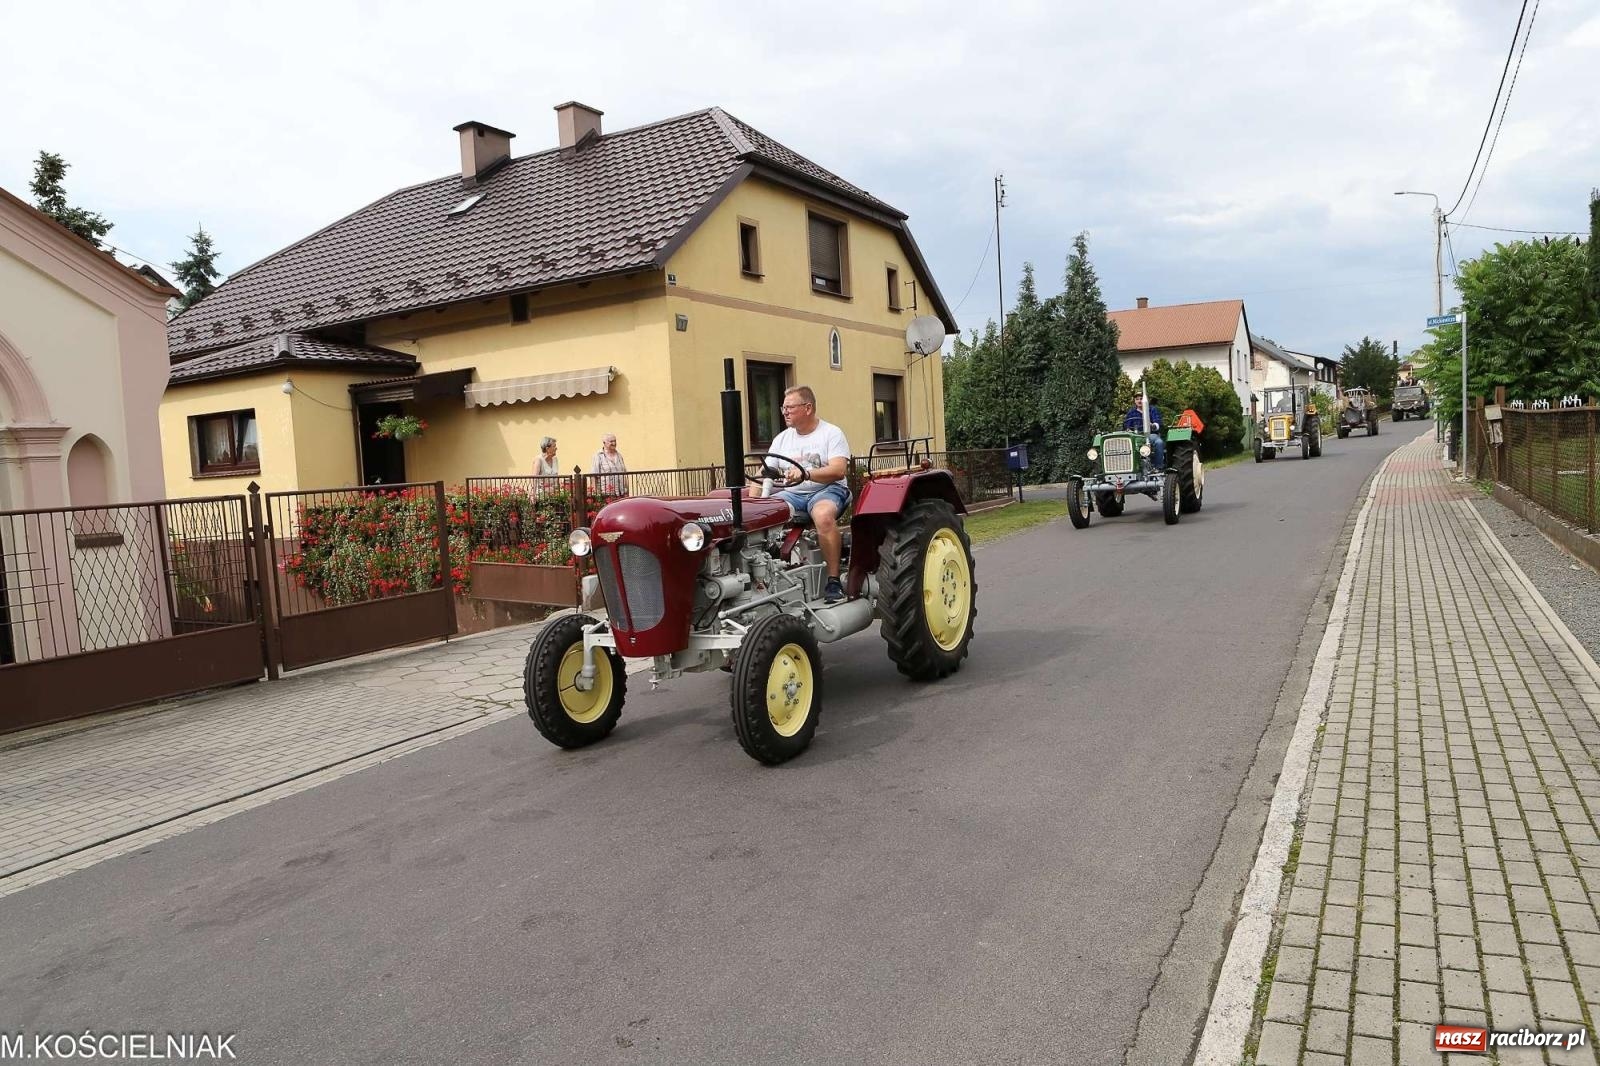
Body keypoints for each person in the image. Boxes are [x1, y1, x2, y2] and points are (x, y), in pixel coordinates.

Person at [767, 385, 851, 603]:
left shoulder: (831, 433)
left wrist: (806, 474)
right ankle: (769, 577)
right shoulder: (781, 439)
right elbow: (765, 472)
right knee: (763, 515)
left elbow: (838, 470)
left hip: (828, 489)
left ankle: (833, 581)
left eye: (789, 407)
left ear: (808, 408)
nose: (784, 412)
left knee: (823, 516)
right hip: (793, 493)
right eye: (783, 407)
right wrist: (753, 500)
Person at [1123, 394, 1166, 469]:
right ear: (1135, 401)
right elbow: (1127, 425)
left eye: (1141, 399)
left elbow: (1158, 423)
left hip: (1149, 434)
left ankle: (1158, 467)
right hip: (1136, 436)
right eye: (1137, 399)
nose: (1139, 401)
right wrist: (1128, 429)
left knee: (1159, 442)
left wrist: (1153, 425)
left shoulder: (1152, 409)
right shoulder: (1131, 412)